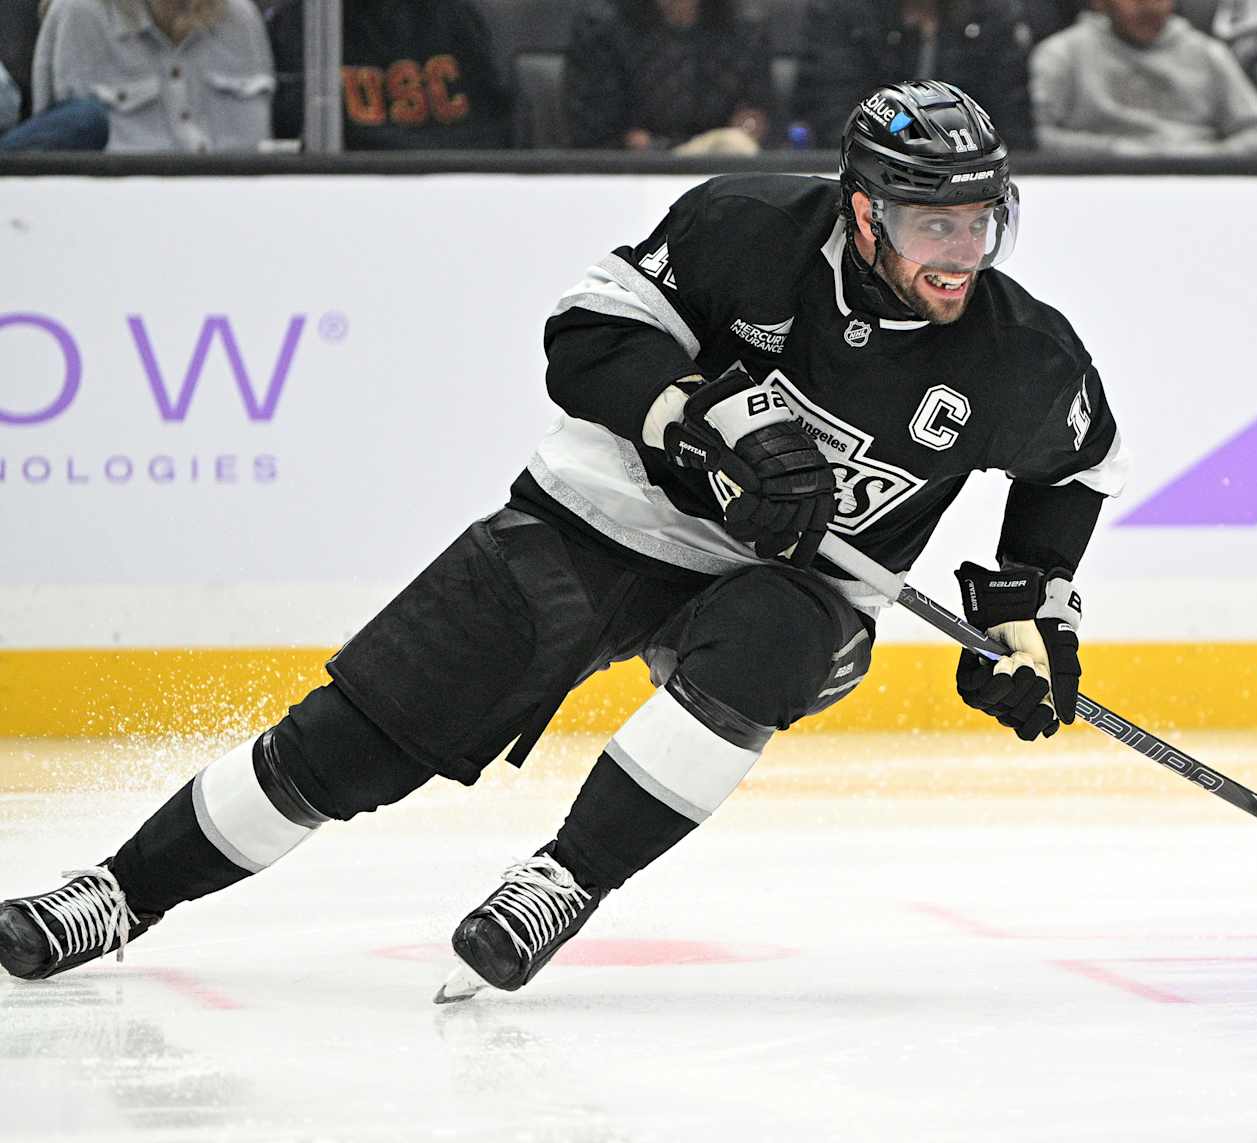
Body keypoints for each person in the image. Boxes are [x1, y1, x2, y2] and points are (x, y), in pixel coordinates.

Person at [0, 79, 1126, 1002]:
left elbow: (1071, 471)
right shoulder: (743, 231)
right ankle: (118, 892)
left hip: (789, 582)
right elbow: (584, 341)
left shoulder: (1019, 353)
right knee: (353, 745)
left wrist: (1032, 610)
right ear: (863, 208)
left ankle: (563, 880)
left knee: (780, 645)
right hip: (603, 518)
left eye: (981, 221)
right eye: (935, 222)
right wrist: (699, 423)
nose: (961, 252)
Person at [1030, 0, 1257, 155]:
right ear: (1100, 2)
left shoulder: (1207, 53)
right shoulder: (1063, 53)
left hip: (1200, 182)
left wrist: (1211, 157)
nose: (1149, 6)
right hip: (1099, 182)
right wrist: (1111, 151)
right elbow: (1033, 134)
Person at [30, 0, 272, 152]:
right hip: (116, 217)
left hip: (235, 212)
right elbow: (45, 158)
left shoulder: (240, 16)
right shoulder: (78, 13)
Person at [267, 0, 511, 149]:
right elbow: (293, 134)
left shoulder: (457, 16)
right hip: (349, 197)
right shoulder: (303, 23)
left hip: (457, 192)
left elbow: (497, 128)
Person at [792, 1, 1038, 149]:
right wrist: (919, 150)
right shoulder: (841, 13)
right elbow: (837, 117)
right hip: (871, 169)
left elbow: (1010, 123)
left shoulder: (990, 15)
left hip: (967, 172)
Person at [563, 0, 772, 153]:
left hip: (721, 172)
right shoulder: (601, 24)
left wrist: (751, 126)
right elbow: (593, 132)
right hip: (630, 175)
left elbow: (760, 111)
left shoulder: (744, 25)